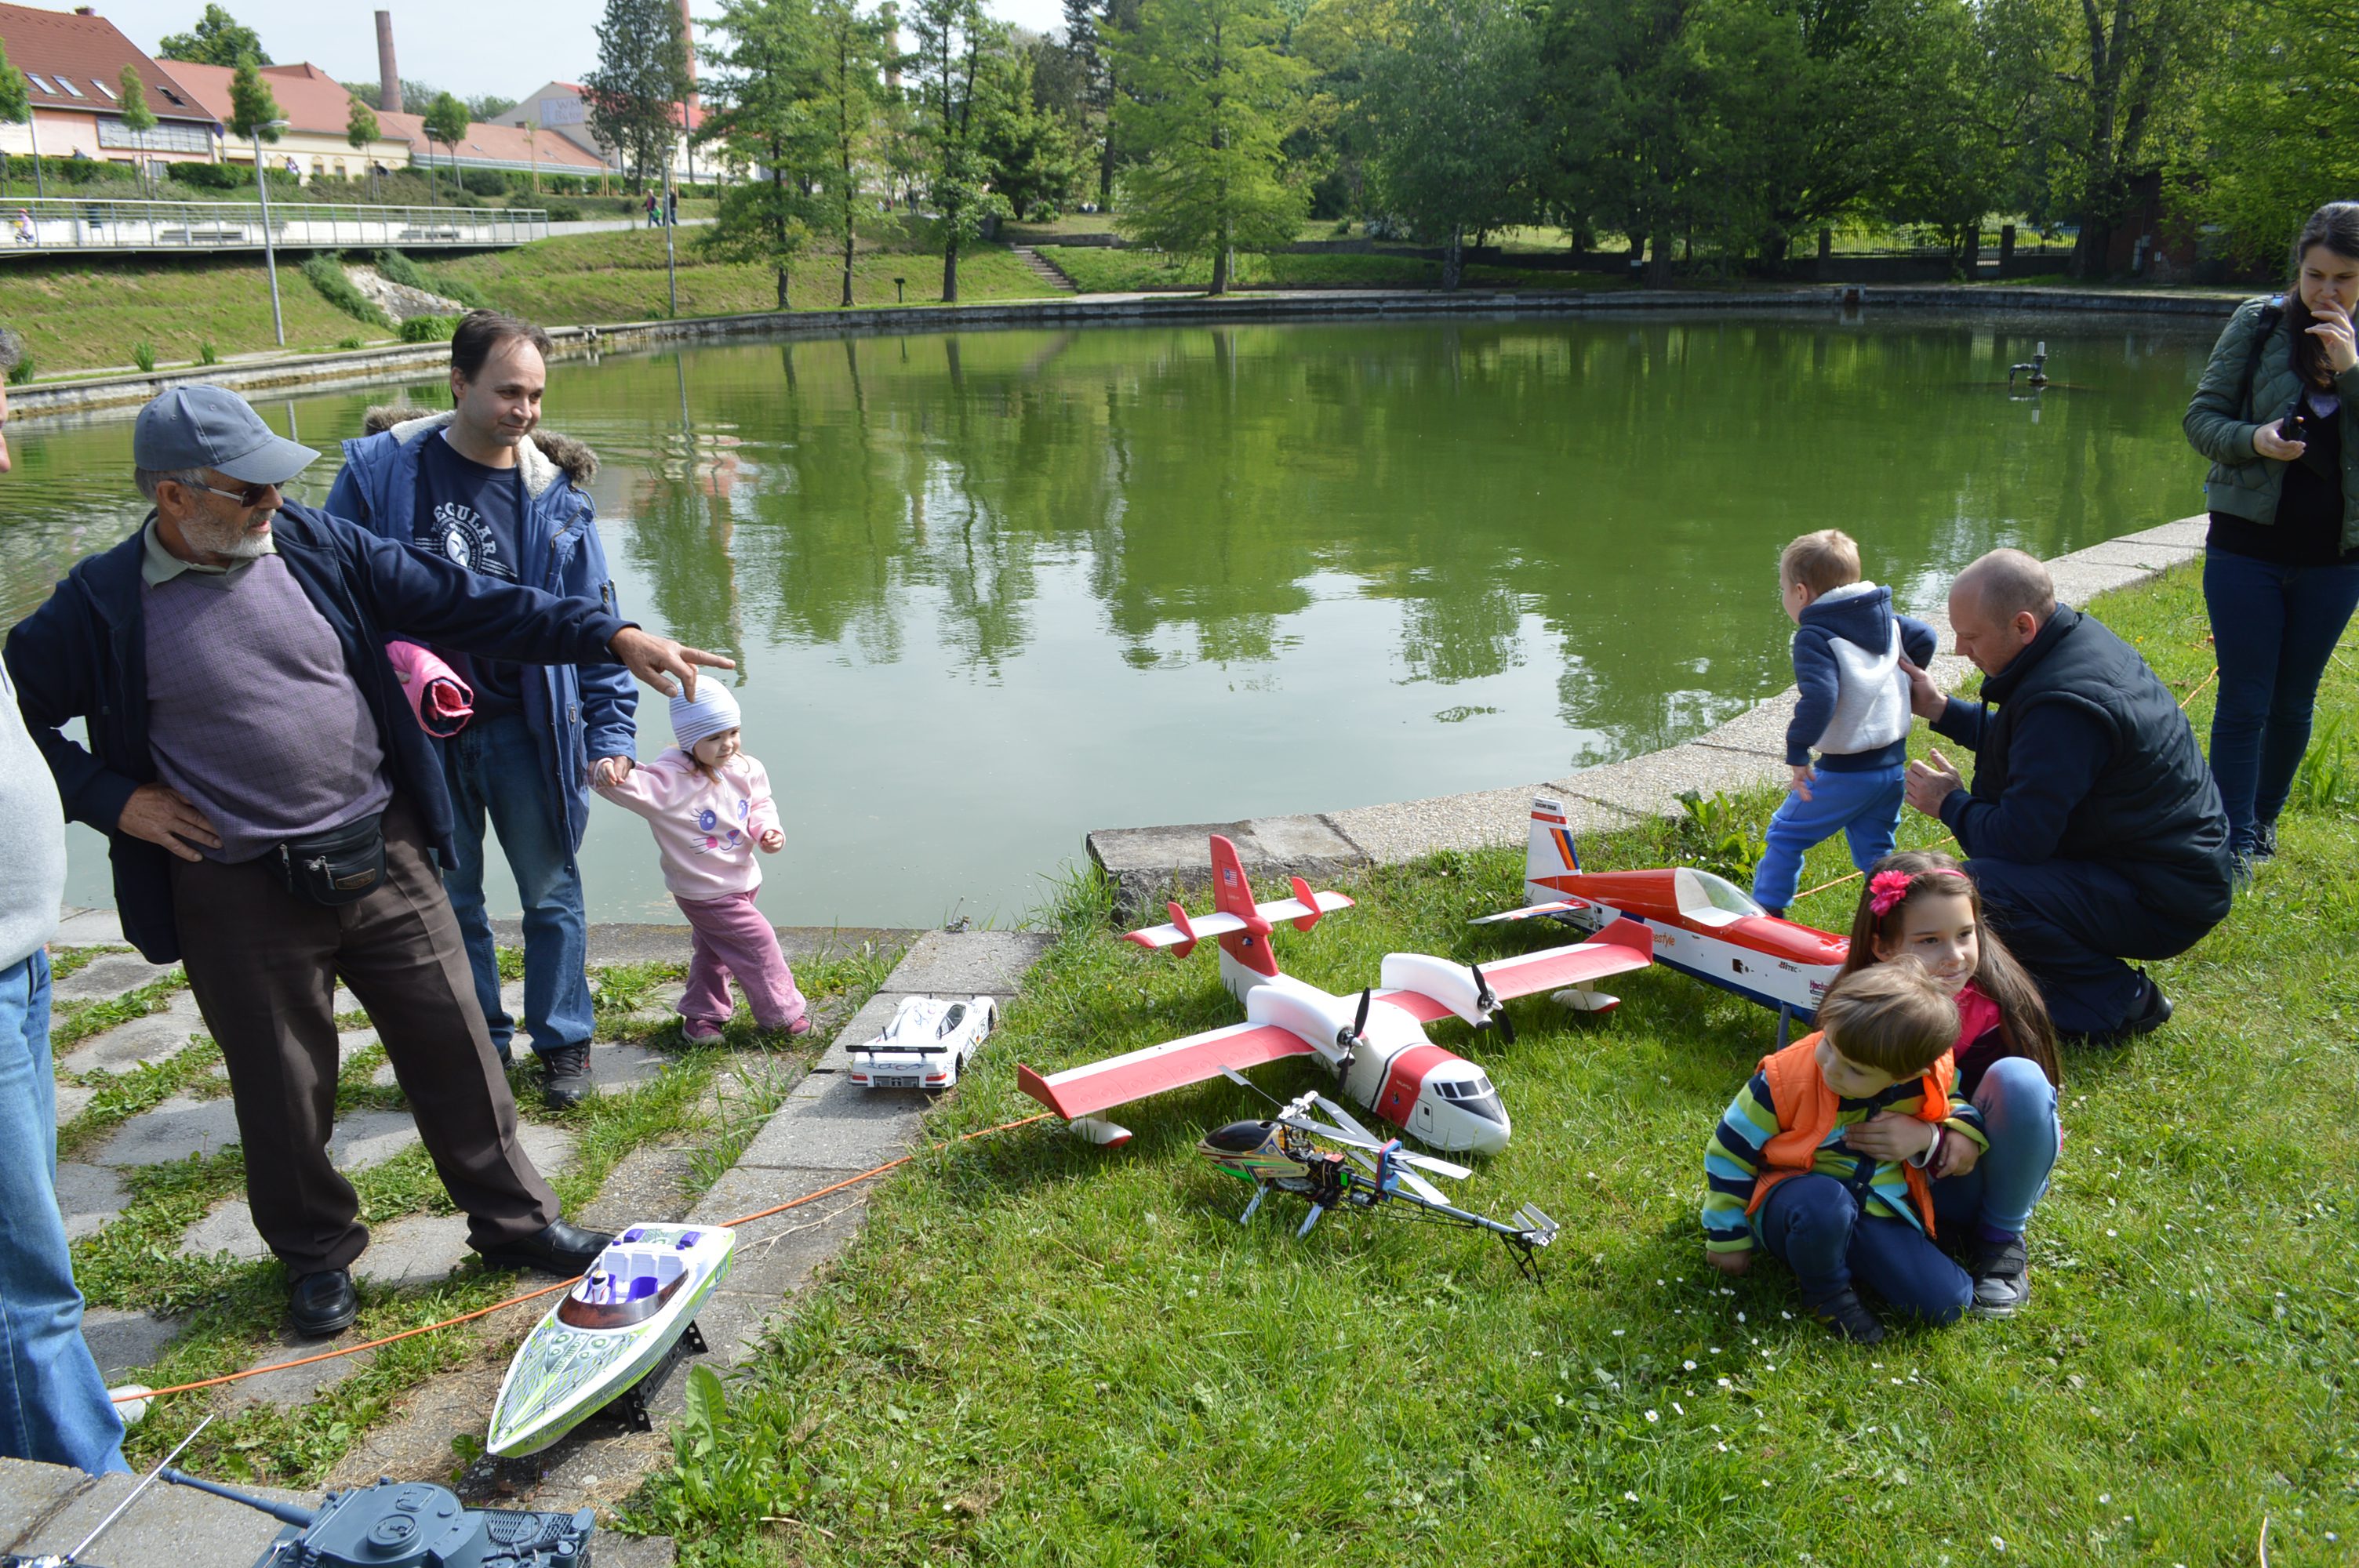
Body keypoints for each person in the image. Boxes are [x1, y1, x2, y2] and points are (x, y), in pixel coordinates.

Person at [5, 385, 730, 1338]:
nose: (272, 504)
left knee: (457, 1042)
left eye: (277, 487)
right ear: (175, 498)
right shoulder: (98, 604)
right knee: (281, 1084)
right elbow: (19, 720)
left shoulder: (311, 543)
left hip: (380, 844)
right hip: (235, 879)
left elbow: (468, 600)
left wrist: (610, 633)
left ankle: (514, 1221)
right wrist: (114, 798)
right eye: (249, 490)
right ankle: (316, 1257)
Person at [325, 313, 631, 1108]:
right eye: (507, 392)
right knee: (451, 902)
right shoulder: (377, 477)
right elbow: (328, 597)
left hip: (526, 728)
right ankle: (481, 1045)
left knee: (551, 890)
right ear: (457, 382)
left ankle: (564, 1041)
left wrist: (611, 732)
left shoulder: (557, 497)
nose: (524, 411)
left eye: (534, 395)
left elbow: (596, 620)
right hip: (418, 734)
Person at [1899, 549, 2234, 1040]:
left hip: (2164, 898)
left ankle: (2121, 1002)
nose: (1959, 650)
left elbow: (2017, 842)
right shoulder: (2075, 644)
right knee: (1985, 890)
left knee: (1978, 890)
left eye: (1970, 636)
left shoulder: (2065, 702)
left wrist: (1949, 802)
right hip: (2173, 871)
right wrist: (1942, 709)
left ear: (2023, 626)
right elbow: (2037, 746)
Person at [0, 325, 129, 1475]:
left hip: (19, 963)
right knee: (24, 1269)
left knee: (26, 1226)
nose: (3, 457)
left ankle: (43, 1420)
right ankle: (74, 1500)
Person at [2183, 201, 2359, 874]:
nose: (2327, 292)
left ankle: (2264, 821)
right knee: (2245, 696)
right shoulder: (2259, 323)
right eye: (2315, 275)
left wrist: (2349, 368)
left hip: (2336, 558)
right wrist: (2254, 440)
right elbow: (2202, 420)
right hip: (2245, 549)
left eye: (2344, 277)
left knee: (2293, 701)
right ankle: (2231, 835)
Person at [1700, 958, 1982, 1343]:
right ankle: (1826, 1292)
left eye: (1855, 1070)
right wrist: (1727, 1234)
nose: (1831, 1067)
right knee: (1826, 1205)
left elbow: (1954, 1102)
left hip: (1874, 1209)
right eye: (1828, 1044)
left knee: (1949, 1302)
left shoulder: (1926, 1077)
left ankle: (1845, 1256)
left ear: (1905, 1076)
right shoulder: (1784, 1078)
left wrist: (1961, 1132)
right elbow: (1728, 1152)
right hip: (1792, 1203)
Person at [1831, 851, 2059, 1319]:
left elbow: (2020, 1116)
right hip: (1889, 1179)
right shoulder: (1861, 1008)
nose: (1954, 956)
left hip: (1978, 1175)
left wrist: (1940, 1136)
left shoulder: (1998, 1008)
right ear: (1883, 948)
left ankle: (2000, 1241)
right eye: (1930, 940)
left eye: (1964, 934)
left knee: (2020, 1078)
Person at [594, 683, 810, 1041]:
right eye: (714, 737)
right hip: (705, 890)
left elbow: (760, 803)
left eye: (733, 733)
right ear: (689, 740)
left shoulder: (746, 767)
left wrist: (768, 829)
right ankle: (782, 1016)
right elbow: (620, 784)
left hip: (742, 880)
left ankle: (701, 1017)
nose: (727, 745)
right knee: (758, 942)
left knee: (716, 951)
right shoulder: (670, 783)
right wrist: (604, 765)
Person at [1751, 528, 1938, 917]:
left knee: (1786, 835)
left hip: (1847, 771)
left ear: (1801, 593)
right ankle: (1898, 919)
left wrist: (1798, 750)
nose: (1785, 598)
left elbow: (1820, 697)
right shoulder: (1887, 621)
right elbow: (1927, 636)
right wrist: (1905, 675)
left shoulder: (1816, 635)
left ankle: (1767, 917)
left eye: (1784, 590)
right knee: (1877, 855)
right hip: (1891, 768)